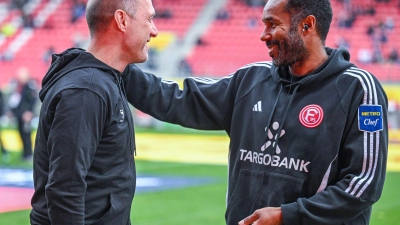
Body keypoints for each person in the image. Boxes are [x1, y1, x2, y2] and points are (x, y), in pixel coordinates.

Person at [123, 0, 388, 224]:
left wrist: (287, 216)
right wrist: (117, 61)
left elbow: (363, 185)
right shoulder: (250, 80)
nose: (264, 34)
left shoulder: (361, 90)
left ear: (306, 25)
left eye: (273, 24)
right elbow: (177, 99)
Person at [30, 0, 158, 224]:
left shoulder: (102, 81)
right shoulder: (86, 90)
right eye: (149, 19)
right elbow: (65, 191)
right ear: (121, 20)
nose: (154, 30)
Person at [8, 67, 37, 162]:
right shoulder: (19, 87)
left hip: (26, 116)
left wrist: (30, 112)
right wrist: (12, 112)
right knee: (21, 133)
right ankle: (24, 153)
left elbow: (32, 101)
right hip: (19, 115)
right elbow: (16, 101)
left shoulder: (30, 86)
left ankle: (29, 154)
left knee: (26, 134)